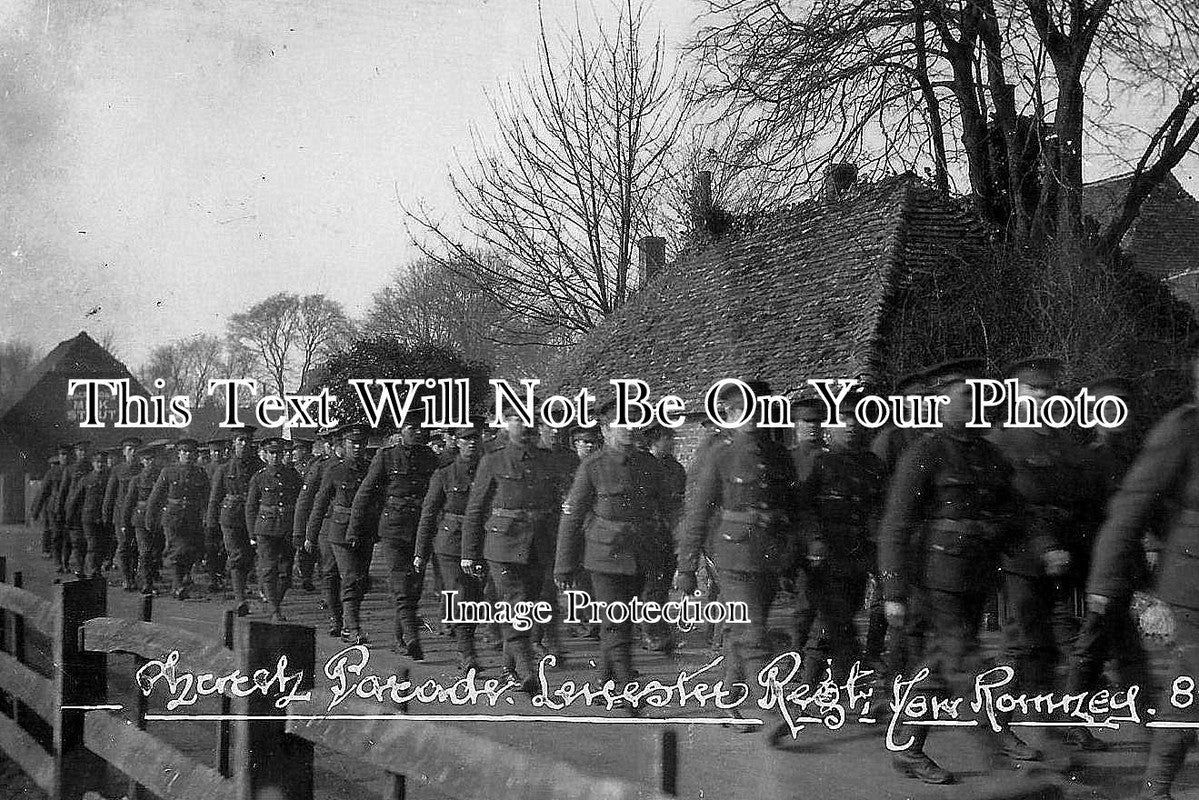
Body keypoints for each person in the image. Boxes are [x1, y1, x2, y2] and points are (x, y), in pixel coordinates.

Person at [878, 358, 1045, 784]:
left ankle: (907, 747)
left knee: (940, 664)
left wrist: (1040, 544)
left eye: (980, 395)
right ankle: (998, 750)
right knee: (965, 661)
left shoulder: (988, 453)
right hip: (937, 579)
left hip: (976, 574)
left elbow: (1014, 510)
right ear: (941, 402)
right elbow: (896, 524)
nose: (976, 403)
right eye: (967, 396)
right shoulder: (925, 452)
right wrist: (894, 591)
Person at [1087, 333, 1199, 799]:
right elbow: (1131, 506)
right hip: (1194, 583)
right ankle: (1155, 788)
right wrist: (1106, 580)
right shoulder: (1183, 428)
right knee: (1191, 686)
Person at [676, 379, 802, 736]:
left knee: (741, 632)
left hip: (768, 555)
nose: (751, 417)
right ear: (729, 414)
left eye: (758, 409)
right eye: (740, 410)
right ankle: (773, 709)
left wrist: (791, 554)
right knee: (753, 632)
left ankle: (728, 699)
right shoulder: (719, 454)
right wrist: (687, 565)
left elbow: (793, 509)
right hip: (732, 556)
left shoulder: (779, 455)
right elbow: (698, 511)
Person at [555, 401, 672, 707]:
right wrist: (564, 565)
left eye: (635, 422)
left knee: (619, 622)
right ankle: (627, 686)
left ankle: (603, 684)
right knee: (616, 621)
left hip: (642, 555)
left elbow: (669, 510)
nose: (631, 428)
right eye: (623, 423)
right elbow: (572, 515)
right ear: (606, 431)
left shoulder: (650, 465)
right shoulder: (592, 466)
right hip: (604, 557)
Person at [988, 357, 1082, 734]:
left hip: (1060, 554)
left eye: (1047, 389)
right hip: (1022, 557)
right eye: (1033, 389)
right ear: (1014, 393)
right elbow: (1010, 505)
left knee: (1065, 636)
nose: (1042, 396)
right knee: (1022, 640)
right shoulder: (1000, 441)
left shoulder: (1060, 439)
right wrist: (1043, 545)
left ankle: (1064, 720)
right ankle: (996, 721)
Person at [462, 408, 566, 692]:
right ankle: (527, 668)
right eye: (519, 420)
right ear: (506, 424)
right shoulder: (493, 461)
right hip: (503, 545)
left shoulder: (547, 461)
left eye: (532, 420)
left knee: (527, 607)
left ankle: (509, 669)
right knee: (515, 602)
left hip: (539, 544)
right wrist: (469, 553)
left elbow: (556, 508)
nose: (526, 426)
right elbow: (475, 509)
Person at [799, 397, 885, 684]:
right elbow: (804, 507)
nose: (850, 425)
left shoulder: (872, 464)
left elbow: (881, 508)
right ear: (830, 427)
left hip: (858, 555)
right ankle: (809, 687)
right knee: (830, 621)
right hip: (827, 556)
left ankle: (835, 684)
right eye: (842, 419)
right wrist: (814, 540)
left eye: (855, 418)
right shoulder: (820, 462)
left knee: (845, 619)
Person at [349, 414, 439, 659]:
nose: (418, 432)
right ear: (401, 430)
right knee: (401, 583)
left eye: (421, 427)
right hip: (393, 528)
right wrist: (355, 528)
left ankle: (399, 637)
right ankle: (411, 637)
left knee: (415, 585)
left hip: (421, 528)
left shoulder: (430, 458)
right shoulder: (386, 457)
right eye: (412, 427)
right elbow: (364, 493)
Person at [415, 423, 486, 673]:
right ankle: (467, 653)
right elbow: (429, 513)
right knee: (460, 596)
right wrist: (420, 552)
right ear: (456, 442)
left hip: (483, 543)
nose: (472, 443)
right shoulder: (444, 475)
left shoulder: (489, 472)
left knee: (476, 600)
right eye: (466, 439)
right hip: (451, 544)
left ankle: (466, 641)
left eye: (476, 437)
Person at [206, 426, 262, 614]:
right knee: (237, 556)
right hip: (231, 517)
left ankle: (248, 588)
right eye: (240, 441)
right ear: (233, 444)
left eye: (247, 441)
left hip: (254, 517)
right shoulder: (223, 470)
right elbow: (215, 498)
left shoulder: (259, 467)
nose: (244, 445)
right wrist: (212, 524)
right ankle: (240, 599)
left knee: (251, 556)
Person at [245, 437, 302, 622]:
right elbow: (251, 506)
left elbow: (301, 503)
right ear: (266, 455)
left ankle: (275, 601)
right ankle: (274, 608)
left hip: (287, 527)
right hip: (265, 529)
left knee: (286, 571)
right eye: (272, 453)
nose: (276, 457)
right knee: (268, 569)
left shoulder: (293, 476)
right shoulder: (259, 477)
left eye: (279, 453)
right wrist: (251, 533)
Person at [147, 438, 210, 600]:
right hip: (172, 518)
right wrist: (150, 517)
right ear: (179, 454)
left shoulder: (200, 473)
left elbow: (207, 498)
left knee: (190, 550)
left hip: (192, 518)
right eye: (184, 452)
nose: (188, 455)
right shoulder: (168, 472)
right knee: (177, 549)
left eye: (191, 452)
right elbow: (155, 497)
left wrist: (206, 516)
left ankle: (182, 579)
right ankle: (176, 586)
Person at [303, 428, 350, 637]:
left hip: (352, 526)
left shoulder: (362, 465)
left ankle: (348, 616)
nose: (340, 445)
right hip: (327, 524)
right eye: (336, 441)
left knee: (352, 575)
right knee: (331, 571)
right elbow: (308, 500)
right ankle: (336, 617)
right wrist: (304, 533)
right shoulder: (321, 467)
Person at [123, 442, 166, 594]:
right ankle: (146, 583)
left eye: (152, 459)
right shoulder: (136, 480)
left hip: (158, 519)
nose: (149, 463)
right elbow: (129, 503)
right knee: (145, 551)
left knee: (157, 551)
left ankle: (151, 576)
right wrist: (124, 523)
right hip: (140, 519)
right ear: (142, 462)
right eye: (146, 460)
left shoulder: (163, 477)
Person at [103, 437, 144, 590]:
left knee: (136, 547)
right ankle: (127, 578)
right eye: (130, 450)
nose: (133, 453)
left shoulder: (142, 469)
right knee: (124, 546)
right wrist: (106, 515)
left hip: (138, 514)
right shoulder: (118, 470)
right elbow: (110, 494)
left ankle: (133, 576)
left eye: (136, 450)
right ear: (124, 452)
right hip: (121, 515)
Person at [67, 450, 111, 579]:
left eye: (103, 462)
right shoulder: (86, 479)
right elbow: (75, 499)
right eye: (98, 462)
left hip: (103, 517)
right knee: (92, 544)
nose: (100, 465)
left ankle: (94, 569)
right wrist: (70, 518)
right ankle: (92, 571)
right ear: (93, 464)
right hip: (89, 517)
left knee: (102, 545)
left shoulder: (109, 478)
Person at [56, 440, 93, 576]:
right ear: (76, 452)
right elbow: (63, 492)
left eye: (85, 451)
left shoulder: (91, 467)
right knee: (74, 540)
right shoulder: (70, 469)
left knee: (86, 541)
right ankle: (72, 565)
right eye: (80, 451)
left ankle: (81, 566)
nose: (82, 453)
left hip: (88, 508)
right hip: (73, 509)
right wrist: (60, 511)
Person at [32, 445, 71, 562]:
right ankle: (56, 558)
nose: (65, 457)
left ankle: (64, 559)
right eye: (62, 454)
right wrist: (36, 511)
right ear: (59, 456)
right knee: (56, 533)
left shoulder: (73, 470)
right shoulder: (52, 472)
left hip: (68, 507)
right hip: (53, 507)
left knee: (67, 534)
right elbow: (43, 491)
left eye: (67, 455)